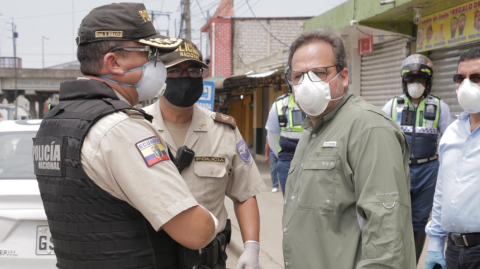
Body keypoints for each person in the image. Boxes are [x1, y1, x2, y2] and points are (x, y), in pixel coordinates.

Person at [32, 4, 218, 269]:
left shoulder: (54, 122)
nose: (159, 64)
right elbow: (195, 232)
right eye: (150, 53)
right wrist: (210, 218)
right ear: (114, 62)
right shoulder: (120, 128)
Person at [281, 30, 416, 269]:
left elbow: (386, 232)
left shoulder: (369, 128)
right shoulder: (311, 130)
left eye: (319, 73)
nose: (306, 84)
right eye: (298, 76)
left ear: (343, 77)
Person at [143, 40, 265, 269]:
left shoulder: (223, 130)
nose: (185, 78)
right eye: (176, 71)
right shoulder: (136, 127)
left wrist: (252, 247)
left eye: (193, 70)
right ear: (158, 75)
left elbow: (245, 193)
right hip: (151, 258)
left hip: (206, 261)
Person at [382, 54, 452, 263]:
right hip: (399, 169)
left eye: (420, 80)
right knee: (394, 217)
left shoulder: (440, 107)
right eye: (411, 80)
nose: (416, 85)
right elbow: (379, 137)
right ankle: (395, 261)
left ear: (428, 82)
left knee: (419, 221)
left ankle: (412, 262)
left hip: (428, 170)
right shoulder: (392, 106)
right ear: (404, 82)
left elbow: (448, 142)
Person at [425, 47, 480, 269]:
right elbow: (443, 190)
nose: (466, 85)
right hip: (454, 251)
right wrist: (436, 244)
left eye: (476, 78)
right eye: (460, 78)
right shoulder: (452, 132)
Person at [265, 72, 305, 196]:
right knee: (290, 203)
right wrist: (282, 156)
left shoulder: (324, 102)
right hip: (287, 160)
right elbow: (271, 137)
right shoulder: (280, 104)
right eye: (297, 77)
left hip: (315, 160)